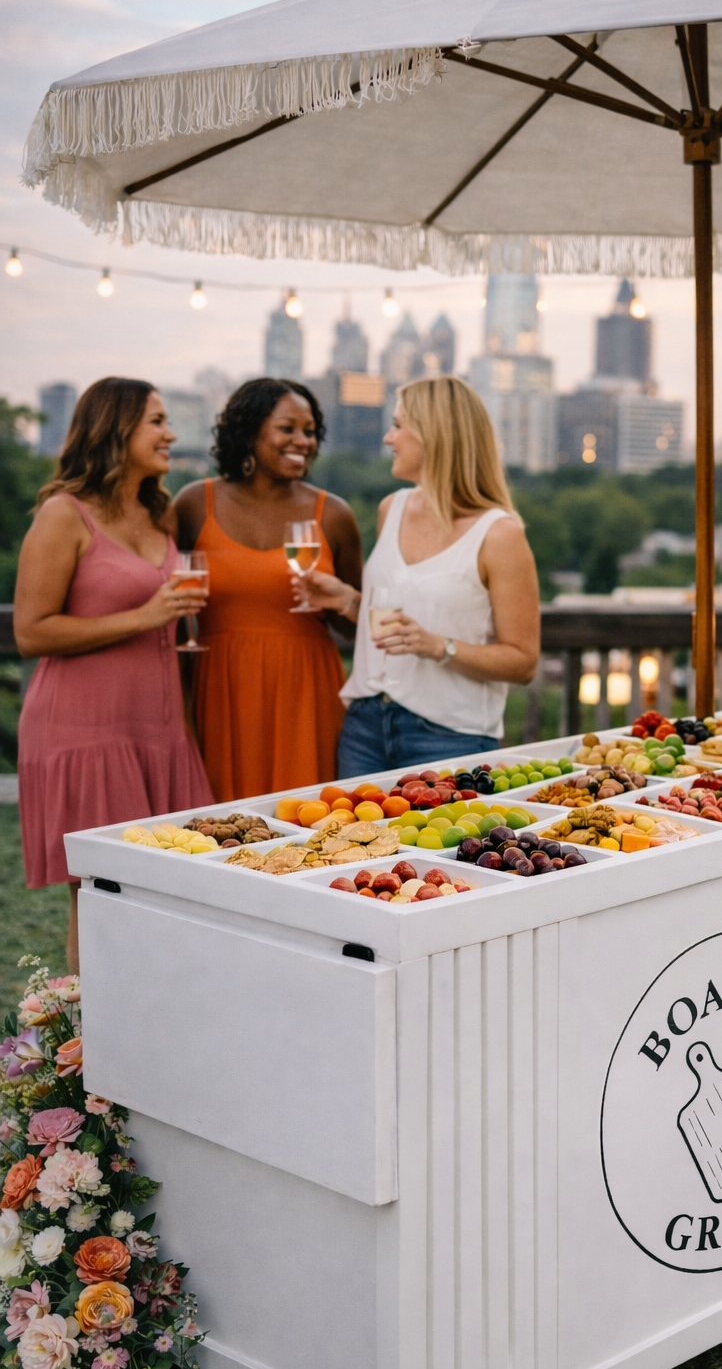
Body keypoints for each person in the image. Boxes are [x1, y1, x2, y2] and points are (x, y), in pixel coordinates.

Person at [14, 378, 214, 973]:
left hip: (159, 730)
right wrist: (144, 617)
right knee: (99, 895)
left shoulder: (162, 512)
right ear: (115, 428)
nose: (170, 433)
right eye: (156, 421)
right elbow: (32, 632)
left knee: (178, 886)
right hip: (83, 730)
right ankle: (90, 1046)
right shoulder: (63, 514)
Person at [301, 375, 540, 774]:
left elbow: (523, 662)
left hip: (448, 738)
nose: (388, 438)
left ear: (434, 436)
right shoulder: (390, 509)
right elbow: (400, 624)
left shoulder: (500, 534)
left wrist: (438, 647)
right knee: (349, 838)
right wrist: (347, 600)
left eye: (398, 425)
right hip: (364, 727)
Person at [175, 378, 362, 801]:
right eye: (288, 428)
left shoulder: (333, 515)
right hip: (218, 692)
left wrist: (337, 602)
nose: (303, 441)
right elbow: (169, 606)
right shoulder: (192, 504)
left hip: (305, 694)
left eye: (310, 431)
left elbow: (356, 627)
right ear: (249, 431)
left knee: (304, 823)